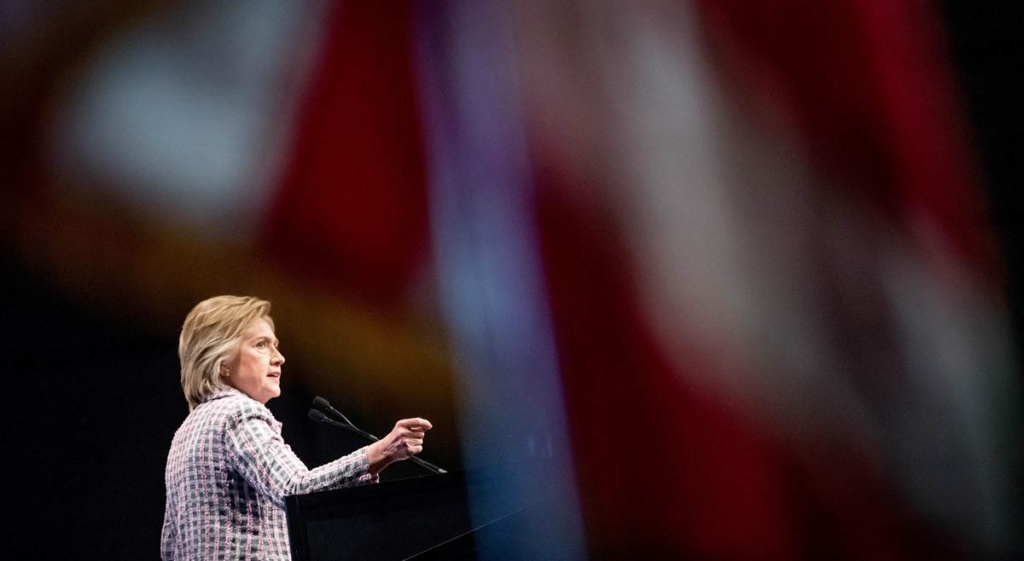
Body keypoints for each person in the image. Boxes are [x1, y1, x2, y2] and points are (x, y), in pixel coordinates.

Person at [161, 295, 433, 561]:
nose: (279, 357)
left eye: (275, 345)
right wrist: (381, 452)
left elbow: (170, 547)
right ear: (221, 362)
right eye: (261, 345)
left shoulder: (183, 435)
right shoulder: (238, 413)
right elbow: (296, 491)